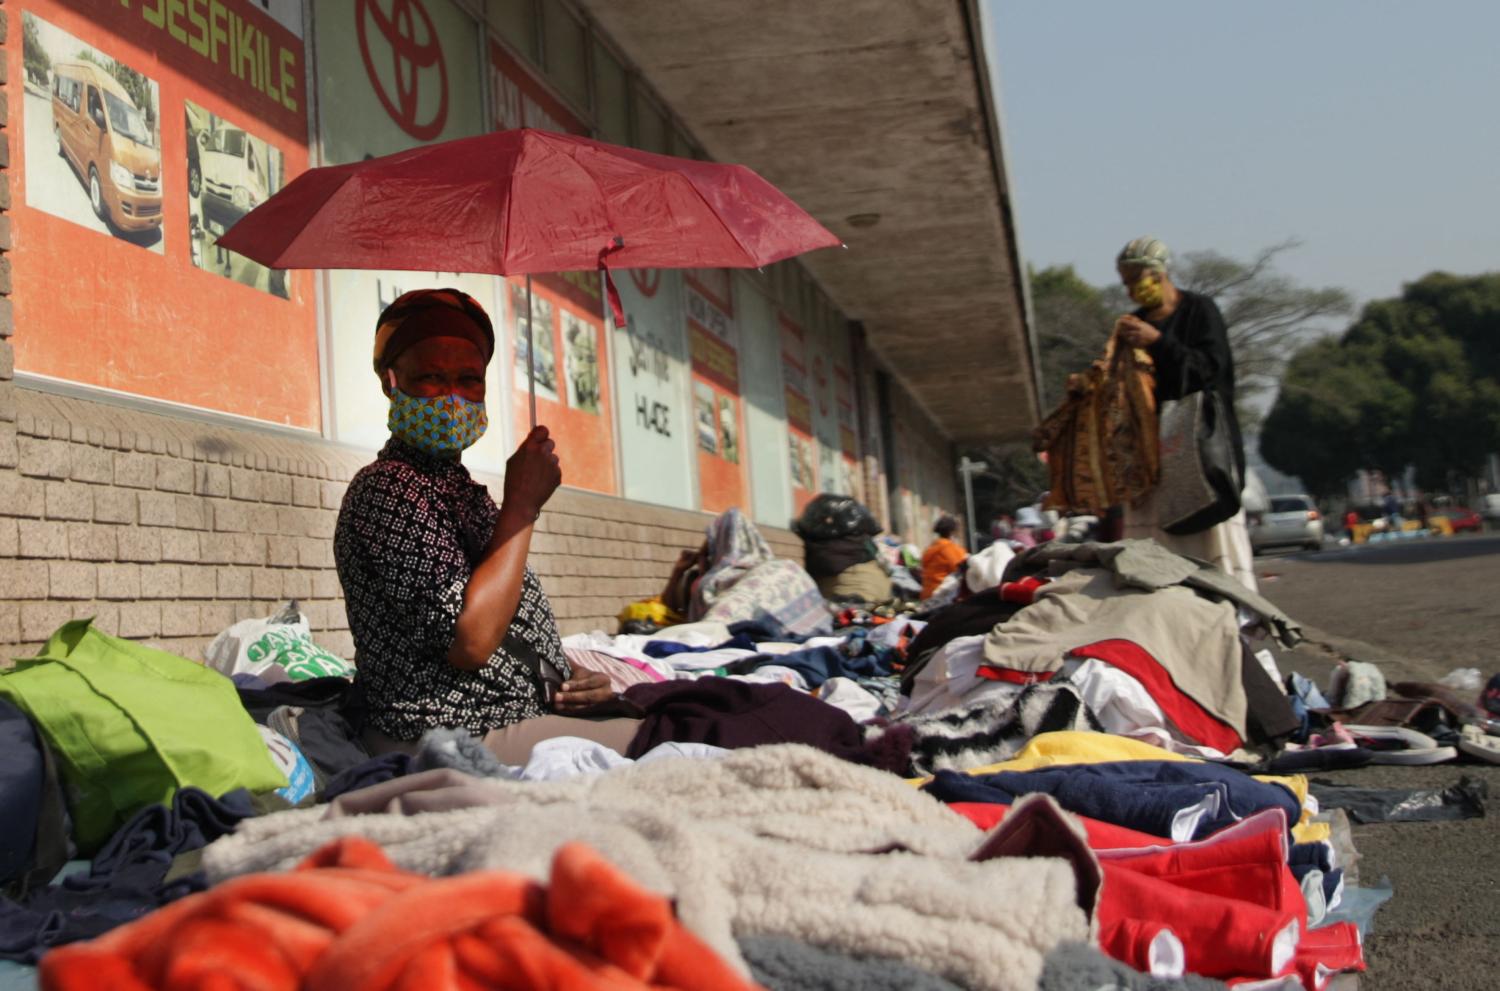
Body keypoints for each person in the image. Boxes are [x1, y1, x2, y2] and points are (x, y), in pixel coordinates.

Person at [333, 288, 631, 763]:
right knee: (685, 734)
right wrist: (522, 508)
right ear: (391, 382)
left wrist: (568, 673)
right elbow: (469, 641)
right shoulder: (387, 491)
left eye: (469, 379)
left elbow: (504, 615)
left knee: (698, 714)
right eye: (430, 377)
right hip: (450, 732)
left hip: (514, 714)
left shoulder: (461, 492)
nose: (452, 397)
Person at [1112, 236, 1257, 591]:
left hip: (1200, 453)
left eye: (1137, 280)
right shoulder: (1132, 324)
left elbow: (1210, 371)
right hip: (1153, 458)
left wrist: (1158, 342)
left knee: (1213, 547)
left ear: (1159, 274)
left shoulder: (1199, 311)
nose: (1132, 290)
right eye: (1126, 283)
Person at [919, 516, 968, 599]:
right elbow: (963, 569)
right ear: (952, 532)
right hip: (942, 594)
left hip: (926, 595)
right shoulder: (949, 548)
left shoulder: (930, 548)